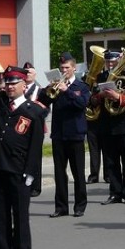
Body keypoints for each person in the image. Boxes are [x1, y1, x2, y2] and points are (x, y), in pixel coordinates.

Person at [0, 65, 45, 249]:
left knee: (20, 214)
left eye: (13, 83)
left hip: (18, 170)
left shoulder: (33, 111)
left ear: (23, 85)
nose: (9, 87)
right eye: (7, 83)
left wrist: (31, 174)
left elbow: (35, 147)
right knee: (0, 214)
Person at [38, 52, 90, 218]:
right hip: (59, 135)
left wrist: (66, 90)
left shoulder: (81, 87)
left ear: (74, 68)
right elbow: (44, 101)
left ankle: (80, 206)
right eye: (62, 68)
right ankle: (61, 207)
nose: (64, 70)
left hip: (75, 135)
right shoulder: (56, 85)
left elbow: (81, 104)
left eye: (67, 68)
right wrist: (47, 90)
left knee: (78, 173)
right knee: (59, 173)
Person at [92, 50, 125, 204]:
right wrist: (100, 96)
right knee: (111, 162)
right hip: (107, 125)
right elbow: (92, 100)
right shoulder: (100, 77)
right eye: (107, 62)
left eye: (112, 62)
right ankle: (115, 193)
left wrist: (118, 97)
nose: (110, 64)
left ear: (119, 60)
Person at [22, 61, 45, 197]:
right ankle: (25, 182)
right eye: (25, 72)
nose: (27, 74)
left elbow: (45, 110)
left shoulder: (39, 90)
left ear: (35, 74)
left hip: (35, 127)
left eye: (29, 72)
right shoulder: (20, 88)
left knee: (35, 156)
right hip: (22, 127)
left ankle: (36, 186)